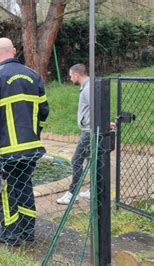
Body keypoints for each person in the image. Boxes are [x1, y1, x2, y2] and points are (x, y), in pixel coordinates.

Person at [0, 38, 49, 246]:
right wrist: (35, 134)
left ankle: (10, 235)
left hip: (4, 150)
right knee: (24, 187)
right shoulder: (34, 76)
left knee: (5, 190)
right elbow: (44, 111)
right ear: (14, 51)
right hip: (31, 148)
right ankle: (27, 231)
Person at [56, 64, 91, 205]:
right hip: (91, 130)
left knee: (76, 160)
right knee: (91, 160)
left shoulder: (88, 89)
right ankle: (94, 190)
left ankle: (73, 193)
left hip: (89, 131)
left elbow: (96, 107)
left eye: (71, 76)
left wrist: (104, 122)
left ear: (77, 74)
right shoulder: (89, 87)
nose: (70, 79)